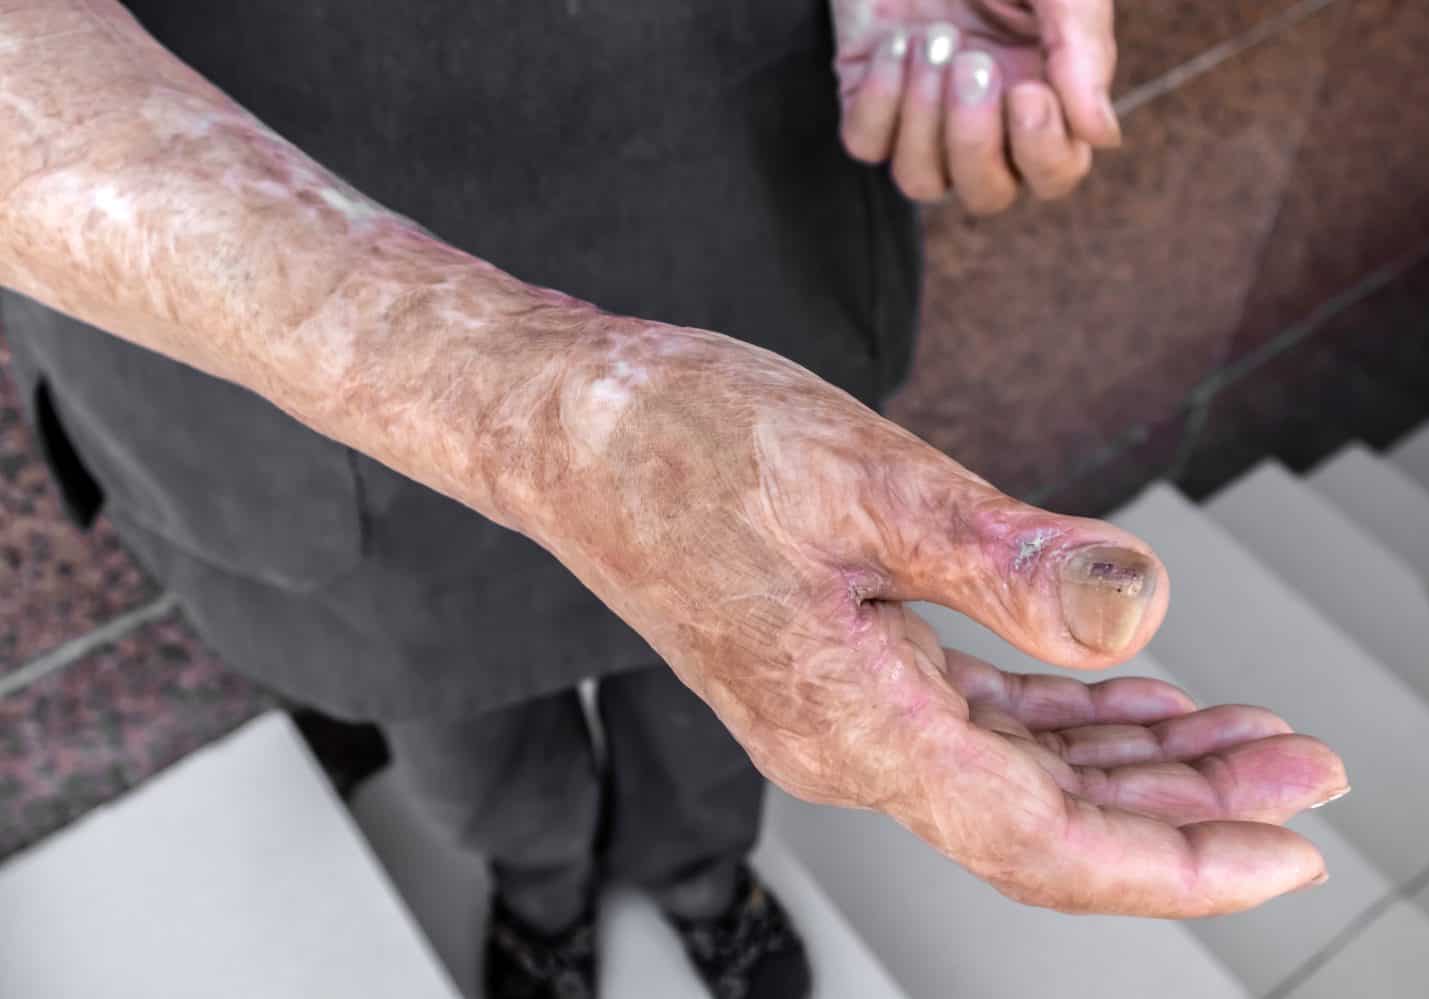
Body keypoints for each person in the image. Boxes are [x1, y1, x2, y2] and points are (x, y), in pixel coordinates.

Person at [0, 2, 1349, 998]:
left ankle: (701, 876)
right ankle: (540, 895)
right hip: (236, 254)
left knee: (766, 672)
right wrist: (532, 406)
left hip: (718, 174)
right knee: (456, 723)